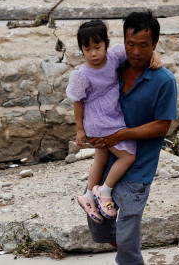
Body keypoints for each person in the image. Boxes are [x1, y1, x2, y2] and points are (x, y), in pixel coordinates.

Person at [85, 11, 178, 265]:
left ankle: (130, 260)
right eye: (131, 44)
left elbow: (162, 126)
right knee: (97, 223)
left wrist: (122, 135)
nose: (136, 51)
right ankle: (125, 254)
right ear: (123, 42)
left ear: (155, 45)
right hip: (107, 162)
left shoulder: (164, 81)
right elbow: (89, 75)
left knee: (128, 228)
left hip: (138, 167)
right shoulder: (113, 67)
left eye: (144, 46)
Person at [68, 20, 162, 222]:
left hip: (110, 115)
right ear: (81, 50)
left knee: (101, 159)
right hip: (100, 121)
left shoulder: (114, 57)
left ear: (107, 44)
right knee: (127, 156)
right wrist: (79, 130)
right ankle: (105, 191)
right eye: (87, 49)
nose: (93, 53)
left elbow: (136, 53)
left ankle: (88, 196)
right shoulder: (82, 75)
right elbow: (78, 103)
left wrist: (155, 54)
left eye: (97, 47)